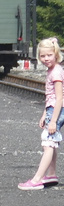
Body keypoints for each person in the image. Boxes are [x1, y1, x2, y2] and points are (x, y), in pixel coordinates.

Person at [20, 37, 64, 190]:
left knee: (48, 143)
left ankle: (37, 179)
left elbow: (59, 99)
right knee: (52, 143)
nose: (46, 59)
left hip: (57, 110)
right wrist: (44, 115)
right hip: (52, 110)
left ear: (56, 54)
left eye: (49, 55)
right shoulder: (52, 70)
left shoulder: (57, 72)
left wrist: (53, 121)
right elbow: (50, 97)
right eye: (42, 56)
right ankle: (51, 174)